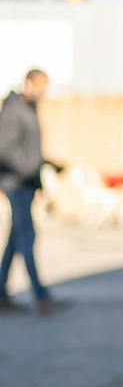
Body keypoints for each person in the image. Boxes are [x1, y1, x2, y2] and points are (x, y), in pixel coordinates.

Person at [0, 68, 67, 313]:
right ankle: (40, 295)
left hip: (27, 183)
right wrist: (29, 168)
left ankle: (0, 292)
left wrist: (48, 163)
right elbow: (5, 150)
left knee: (15, 239)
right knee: (27, 236)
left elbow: (29, 151)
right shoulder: (13, 110)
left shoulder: (28, 109)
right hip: (16, 184)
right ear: (29, 83)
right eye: (41, 87)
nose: (43, 92)